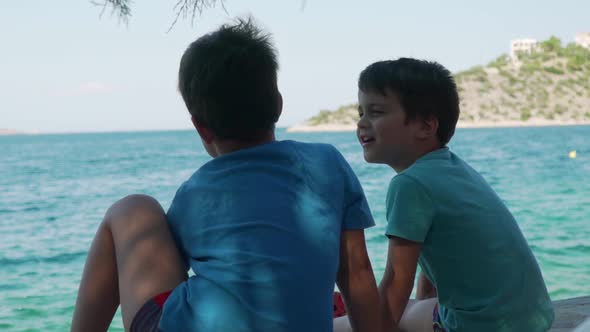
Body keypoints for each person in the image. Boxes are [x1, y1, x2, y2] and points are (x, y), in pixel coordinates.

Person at [70, 18, 383, 332]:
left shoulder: (195, 192)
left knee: (132, 209)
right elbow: (357, 270)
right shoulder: (327, 161)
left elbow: (167, 266)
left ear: (201, 127)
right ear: (277, 105)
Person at [336, 58, 555, 332]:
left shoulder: (410, 184)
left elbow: (395, 283)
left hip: (479, 326)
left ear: (426, 126)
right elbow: (438, 255)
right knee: (416, 307)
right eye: (361, 113)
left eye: (376, 112)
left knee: (344, 327)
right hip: (532, 320)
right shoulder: (452, 169)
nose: (362, 124)